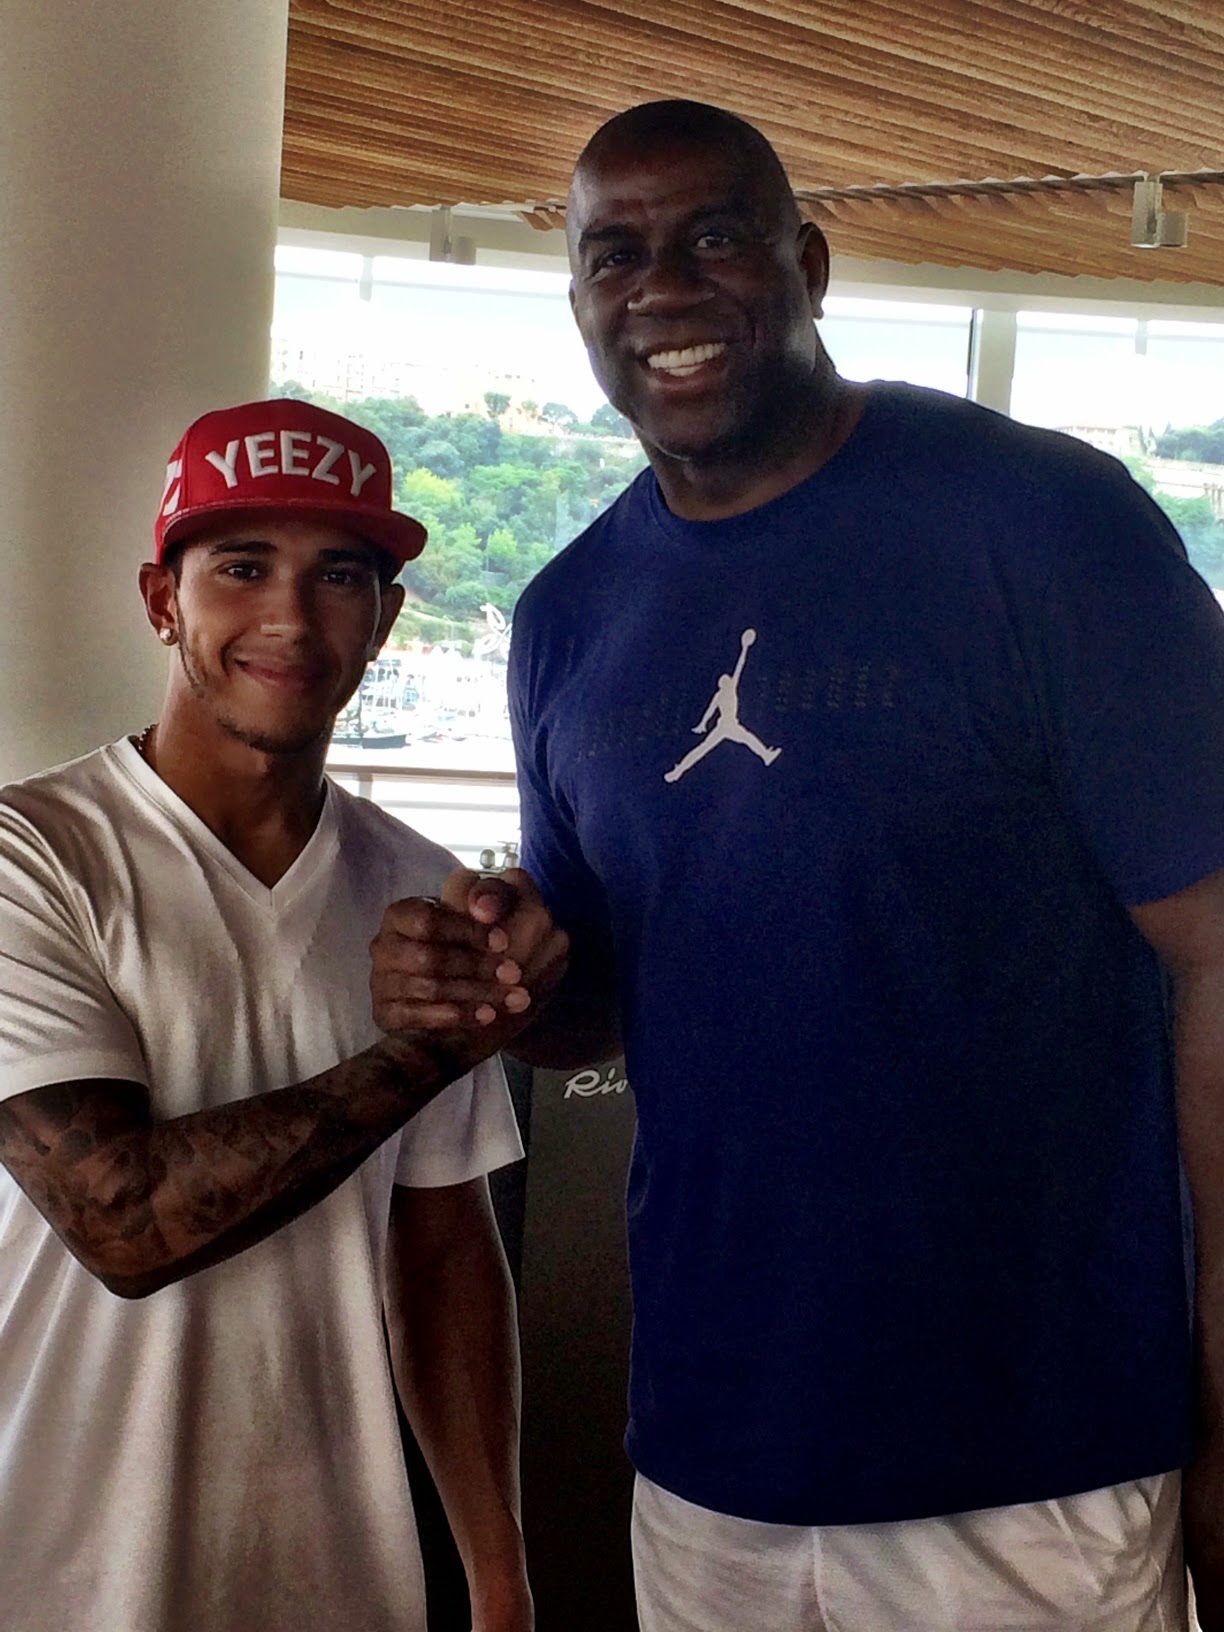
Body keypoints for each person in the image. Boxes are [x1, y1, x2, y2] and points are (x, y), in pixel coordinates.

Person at [371, 99, 1224, 1631]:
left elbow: (1219, 953)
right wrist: (501, 977)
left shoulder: (1043, 524)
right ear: (577, 299)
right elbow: (597, 999)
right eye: (614, 255)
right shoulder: (568, 614)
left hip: (1032, 1453)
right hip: (711, 1451)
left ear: (809, 264)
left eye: (714, 238)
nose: (663, 288)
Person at [0, 397, 566, 1632]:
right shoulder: (32, 857)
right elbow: (124, 1223)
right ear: (163, 599)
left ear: (386, 617)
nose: (292, 619)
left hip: (336, 1568)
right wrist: (428, 1050)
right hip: (52, 1564)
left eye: (340, 576)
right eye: (242, 567)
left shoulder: (418, 884)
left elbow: (442, 1250)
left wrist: (499, 1573)